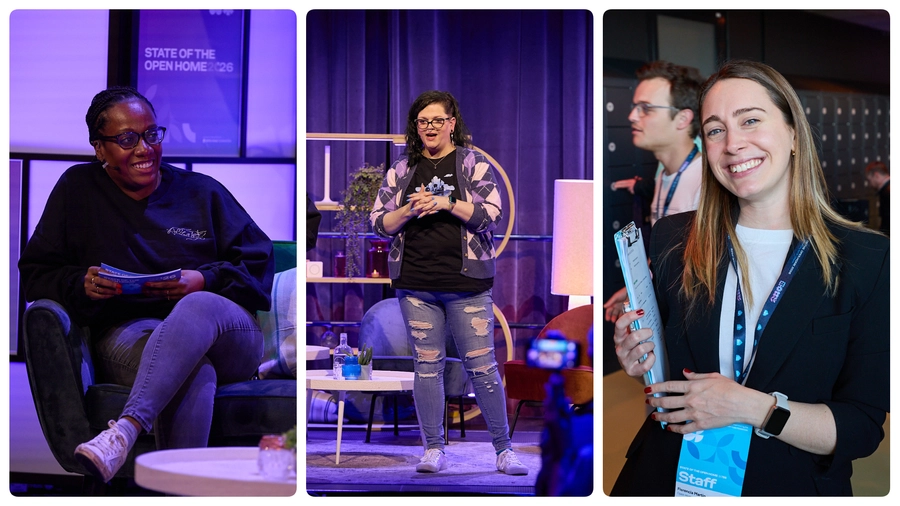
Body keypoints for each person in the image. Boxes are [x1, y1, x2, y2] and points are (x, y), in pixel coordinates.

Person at [611, 60, 889, 496]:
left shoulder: (868, 259)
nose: (733, 144)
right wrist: (638, 359)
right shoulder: (672, 239)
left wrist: (755, 409)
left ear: (794, 133)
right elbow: (664, 373)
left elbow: (862, 427)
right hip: (668, 479)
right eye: (716, 129)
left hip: (787, 484)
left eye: (751, 121)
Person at [18, 86, 275, 482]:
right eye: (126, 139)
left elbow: (259, 259)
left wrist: (204, 279)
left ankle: (123, 430)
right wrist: (79, 284)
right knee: (192, 370)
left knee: (196, 305)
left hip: (228, 335)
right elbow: (36, 271)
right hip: (131, 333)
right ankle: (180, 492)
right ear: (99, 149)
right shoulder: (77, 191)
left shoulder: (201, 191)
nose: (144, 148)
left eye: (152, 134)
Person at [369, 90, 528, 475]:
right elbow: (378, 222)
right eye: (423, 121)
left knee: (482, 366)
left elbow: (491, 213)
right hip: (416, 285)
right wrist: (410, 207)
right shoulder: (402, 170)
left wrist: (446, 203)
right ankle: (433, 449)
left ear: (452, 123)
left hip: (467, 284)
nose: (430, 127)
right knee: (426, 367)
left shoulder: (472, 163)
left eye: (438, 120)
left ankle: (504, 450)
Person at [605, 61, 705, 323]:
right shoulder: (664, 174)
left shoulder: (706, 183)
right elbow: (666, 254)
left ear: (683, 118)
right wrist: (636, 289)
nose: (632, 117)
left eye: (646, 109)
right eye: (635, 107)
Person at [864, 161, 890, 235]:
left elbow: (888, 221)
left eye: (869, 180)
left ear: (876, 175)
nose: (870, 184)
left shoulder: (887, 192)